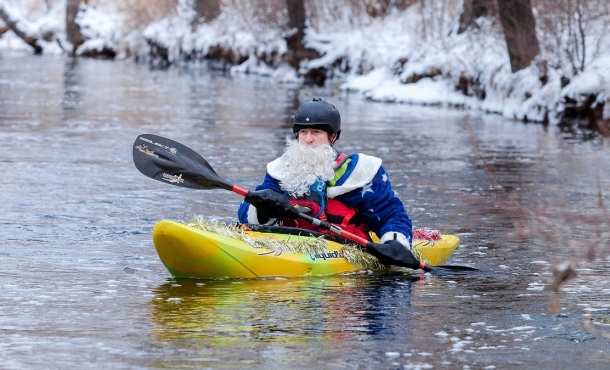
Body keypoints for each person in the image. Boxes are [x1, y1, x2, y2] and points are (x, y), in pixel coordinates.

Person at [237, 98, 420, 269]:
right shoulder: (281, 170)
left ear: (332, 137)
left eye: (316, 132)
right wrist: (262, 209)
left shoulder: (360, 172)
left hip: (345, 253)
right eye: (303, 132)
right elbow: (246, 217)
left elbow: (390, 214)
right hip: (287, 247)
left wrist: (395, 243)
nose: (308, 140)